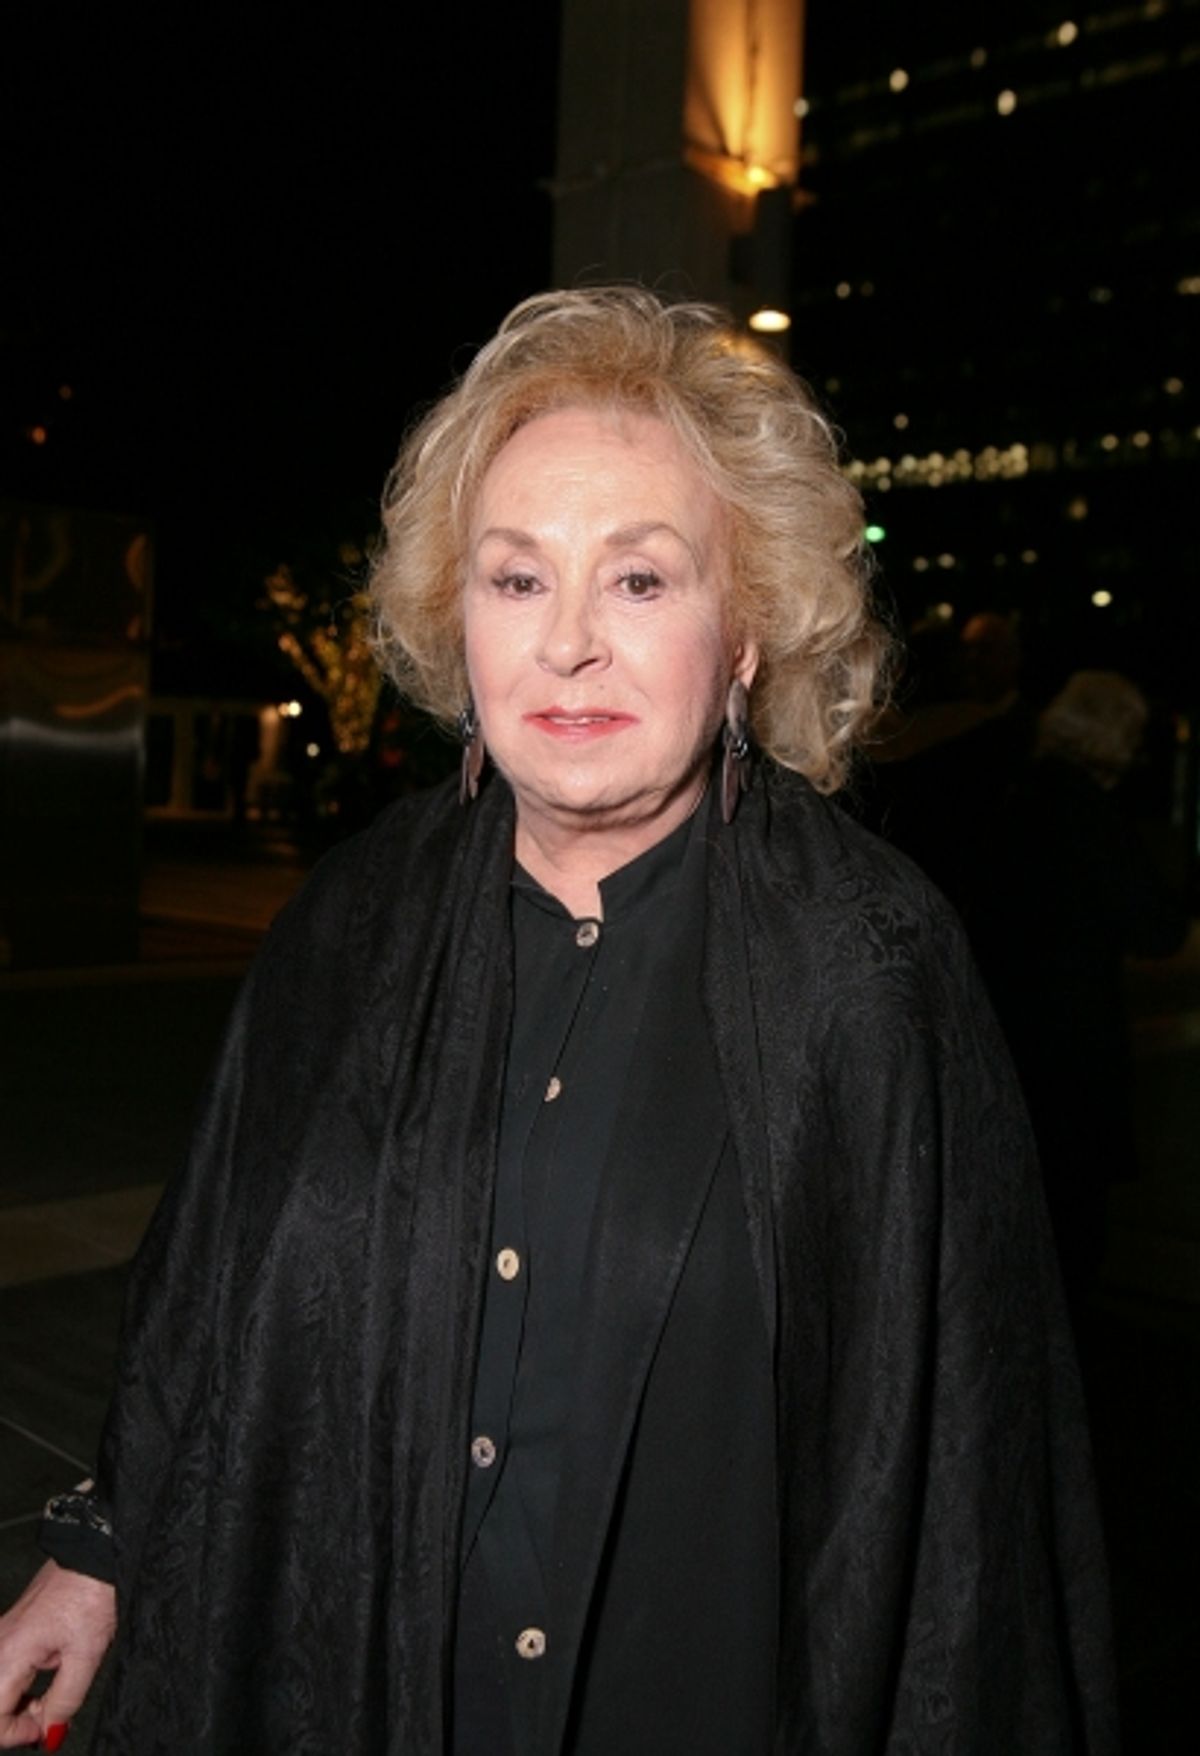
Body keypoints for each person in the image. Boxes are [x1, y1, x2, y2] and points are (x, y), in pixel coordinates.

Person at [0, 288, 1116, 1753]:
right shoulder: (349, 924)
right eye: (518, 578)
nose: (569, 644)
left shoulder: (873, 967)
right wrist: (95, 1557)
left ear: (746, 632)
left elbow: (965, 1474)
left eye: (641, 580)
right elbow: (208, 1284)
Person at [975, 670, 1189, 1322]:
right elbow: (1157, 928)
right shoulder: (1088, 810)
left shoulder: (1011, 795)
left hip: (1007, 1033)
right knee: (1072, 1233)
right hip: (1070, 1046)